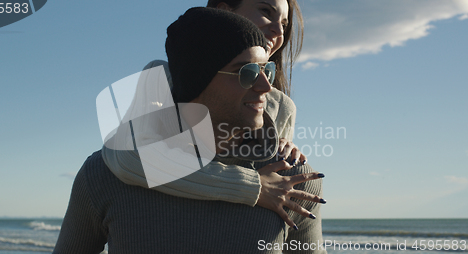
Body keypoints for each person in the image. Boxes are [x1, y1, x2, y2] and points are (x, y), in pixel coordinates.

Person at [54, 8, 325, 254]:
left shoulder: (292, 183)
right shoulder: (103, 175)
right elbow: (126, 156)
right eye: (246, 72)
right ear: (197, 82)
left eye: (267, 70)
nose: (266, 86)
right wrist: (251, 187)